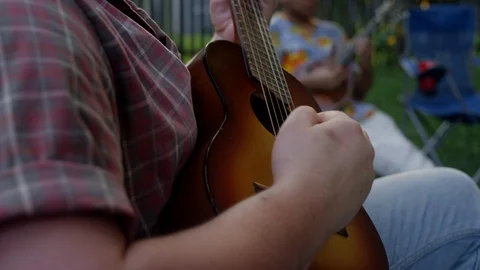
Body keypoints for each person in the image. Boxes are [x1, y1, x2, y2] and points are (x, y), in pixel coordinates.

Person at [0, 0, 479, 269]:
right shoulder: (31, 19)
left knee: (455, 195)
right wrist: (311, 199)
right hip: (274, 228)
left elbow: (155, 132)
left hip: (223, 216)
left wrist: (234, 51)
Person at [270, 0, 436, 176]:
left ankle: (438, 181)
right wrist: (310, 82)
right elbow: (265, 88)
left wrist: (365, 63)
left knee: (411, 161)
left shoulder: (333, 32)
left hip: (355, 114)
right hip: (312, 125)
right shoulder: (271, 31)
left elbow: (359, 92)